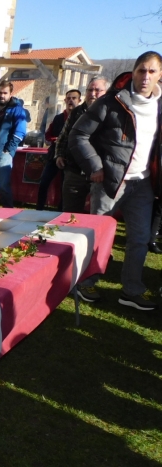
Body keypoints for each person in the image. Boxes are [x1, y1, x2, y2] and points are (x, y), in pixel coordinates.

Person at [69, 51, 162, 311]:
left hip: (143, 184)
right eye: (141, 70)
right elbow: (78, 135)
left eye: (152, 72)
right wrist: (96, 167)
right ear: (133, 72)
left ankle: (131, 291)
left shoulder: (159, 106)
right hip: (110, 181)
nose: (145, 77)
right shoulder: (111, 102)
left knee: (140, 239)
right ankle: (86, 283)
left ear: (160, 76)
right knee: (98, 236)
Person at [56, 76, 110, 213]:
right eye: (90, 90)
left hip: (101, 173)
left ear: (107, 92)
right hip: (74, 171)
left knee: (98, 215)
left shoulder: (112, 113)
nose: (93, 94)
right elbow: (64, 136)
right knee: (69, 213)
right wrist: (59, 154)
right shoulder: (75, 112)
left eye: (98, 90)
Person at [35, 89, 80, 210]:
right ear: (65, 100)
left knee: (64, 187)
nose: (71, 100)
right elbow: (48, 135)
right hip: (54, 155)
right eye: (68, 98)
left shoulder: (82, 118)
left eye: (74, 98)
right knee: (44, 182)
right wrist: (56, 139)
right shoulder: (58, 118)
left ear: (79, 100)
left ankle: (60, 211)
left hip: (71, 158)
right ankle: (39, 209)